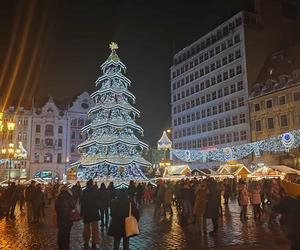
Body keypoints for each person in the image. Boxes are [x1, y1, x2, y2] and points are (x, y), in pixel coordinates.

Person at [81, 179, 100, 250]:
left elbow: (82, 203)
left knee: (86, 228)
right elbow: (98, 201)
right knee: (95, 228)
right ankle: (94, 242)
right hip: (94, 212)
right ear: (92, 184)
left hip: (86, 212)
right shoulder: (95, 191)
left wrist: (82, 213)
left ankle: (86, 241)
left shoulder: (85, 191)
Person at [55, 185, 75, 250]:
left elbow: (56, 208)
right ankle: (66, 246)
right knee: (67, 233)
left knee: (60, 233)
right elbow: (73, 206)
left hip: (60, 218)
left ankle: (60, 247)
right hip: (68, 218)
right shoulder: (70, 197)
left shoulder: (58, 197)